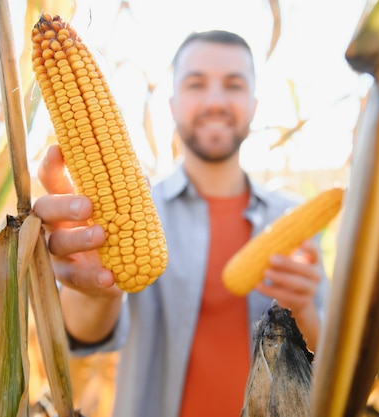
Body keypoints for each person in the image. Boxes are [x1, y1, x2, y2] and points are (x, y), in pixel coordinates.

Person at [33, 30, 329, 417]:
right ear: (172, 105)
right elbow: (88, 335)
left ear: (254, 105)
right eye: (196, 84)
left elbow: (329, 360)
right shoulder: (118, 212)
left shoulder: (294, 217)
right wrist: (97, 291)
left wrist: (304, 311)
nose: (215, 101)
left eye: (234, 85)